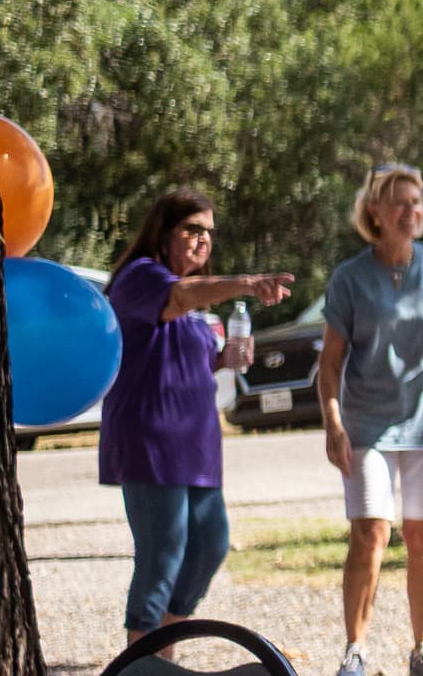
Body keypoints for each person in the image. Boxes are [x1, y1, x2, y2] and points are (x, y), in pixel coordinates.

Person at [99, 189, 295, 645]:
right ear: (163, 234)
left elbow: (187, 357)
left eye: (209, 232)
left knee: (210, 544)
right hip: (151, 443)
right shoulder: (140, 277)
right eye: (192, 229)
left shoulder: (195, 312)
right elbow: (179, 296)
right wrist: (247, 282)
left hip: (196, 446)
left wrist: (225, 357)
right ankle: (142, 670)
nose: (203, 240)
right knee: (162, 556)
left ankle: (163, 648)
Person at [315, 164, 423, 676]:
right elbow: (330, 363)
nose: (413, 212)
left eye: (418, 203)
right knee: (370, 533)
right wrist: (333, 422)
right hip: (367, 424)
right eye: (401, 204)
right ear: (375, 214)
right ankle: (353, 652)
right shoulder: (350, 277)